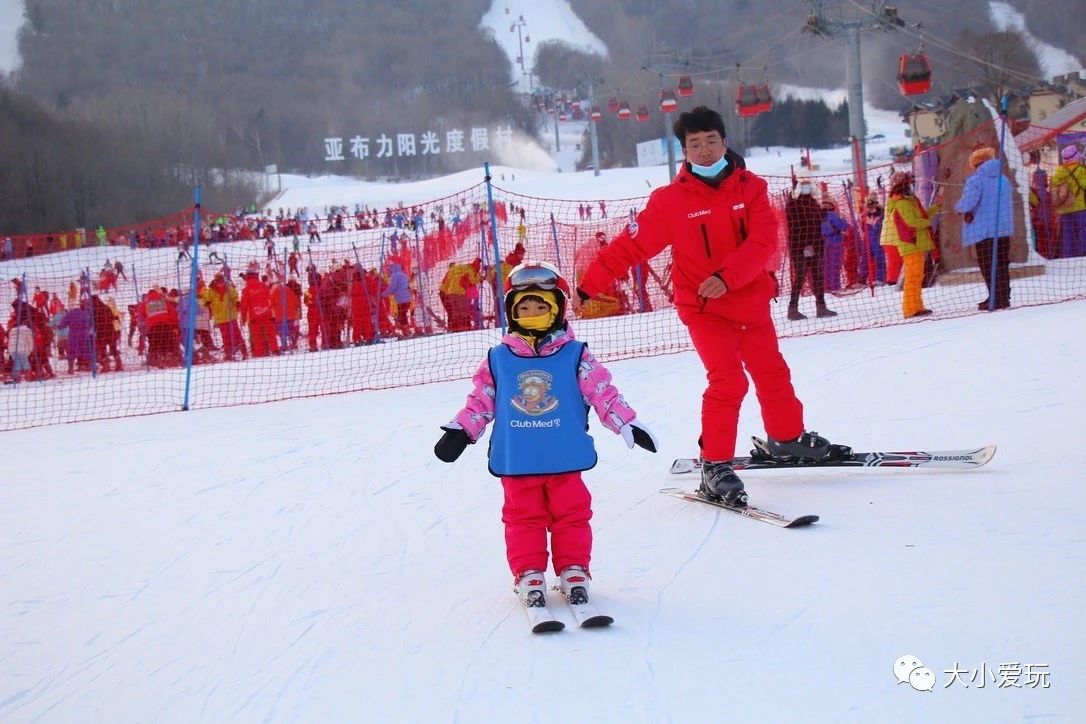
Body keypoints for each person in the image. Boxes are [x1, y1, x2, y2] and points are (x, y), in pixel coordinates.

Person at [577, 106, 846, 506]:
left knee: (772, 372)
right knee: (728, 380)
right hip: (704, 308)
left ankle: (786, 438)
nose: (704, 150)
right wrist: (587, 286)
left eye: (711, 141)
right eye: (694, 144)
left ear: (725, 141)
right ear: (684, 151)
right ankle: (715, 464)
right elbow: (630, 245)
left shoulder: (751, 189)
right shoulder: (671, 201)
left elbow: (764, 243)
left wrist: (728, 277)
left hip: (750, 301)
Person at [434, 262, 657, 611]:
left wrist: (625, 422)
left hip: (564, 456)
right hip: (518, 458)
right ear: (511, 311)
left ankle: (573, 569)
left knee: (572, 515)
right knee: (523, 518)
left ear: (556, 309)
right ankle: (529, 573)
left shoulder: (575, 355)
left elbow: (602, 392)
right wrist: (461, 431)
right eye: (524, 307)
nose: (533, 313)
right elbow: (481, 401)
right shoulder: (498, 359)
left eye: (541, 306)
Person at [955, 147, 1014, 310]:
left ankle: (994, 298)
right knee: (1002, 263)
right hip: (1002, 228)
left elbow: (969, 201)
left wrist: (959, 208)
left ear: (976, 164)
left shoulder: (976, 180)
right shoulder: (1004, 179)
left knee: (988, 265)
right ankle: (1003, 297)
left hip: (984, 230)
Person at [880, 171, 934, 319]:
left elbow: (920, 217)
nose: (912, 186)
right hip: (910, 243)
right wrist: (928, 223)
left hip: (915, 243)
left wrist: (936, 207)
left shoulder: (908, 201)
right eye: (910, 183)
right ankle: (910, 308)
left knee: (917, 276)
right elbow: (912, 222)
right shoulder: (902, 203)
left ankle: (917, 305)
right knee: (912, 276)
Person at [786, 177, 836, 319]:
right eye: (803, 185)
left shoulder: (813, 202)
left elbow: (817, 221)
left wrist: (825, 209)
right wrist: (805, 245)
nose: (806, 187)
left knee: (818, 276)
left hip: (815, 244)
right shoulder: (793, 204)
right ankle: (792, 309)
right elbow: (796, 226)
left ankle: (821, 307)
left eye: (808, 184)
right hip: (799, 245)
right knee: (800, 277)